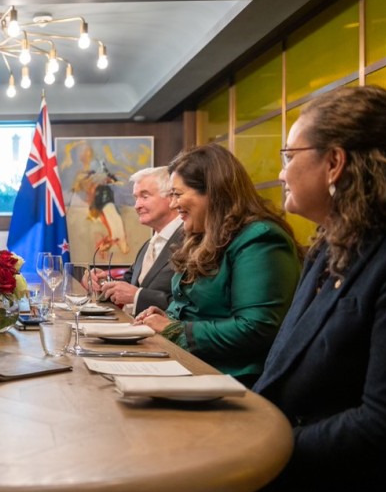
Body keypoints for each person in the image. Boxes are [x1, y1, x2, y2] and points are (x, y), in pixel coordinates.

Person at [253, 85, 386, 492]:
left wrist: (259, 450)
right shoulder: (327, 246)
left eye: (289, 155)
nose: (281, 172)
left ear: (334, 162)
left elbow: (378, 426)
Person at [136, 143, 302, 386]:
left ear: (212, 192)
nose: (172, 204)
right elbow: (191, 309)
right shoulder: (201, 236)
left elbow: (255, 328)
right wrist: (166, 317)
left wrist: (175, 330)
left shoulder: (260, 238)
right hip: (191, 367)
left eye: (178, 194)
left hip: (234, 382)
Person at [92, 166, 183, 315]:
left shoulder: (192, 242)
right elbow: (131, 283)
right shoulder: (149, 244)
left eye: (145, 196)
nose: (137, 205)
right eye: (136, 198)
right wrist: (103, 282)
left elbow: (188, 306)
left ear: (171, 197)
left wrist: (137, 296)